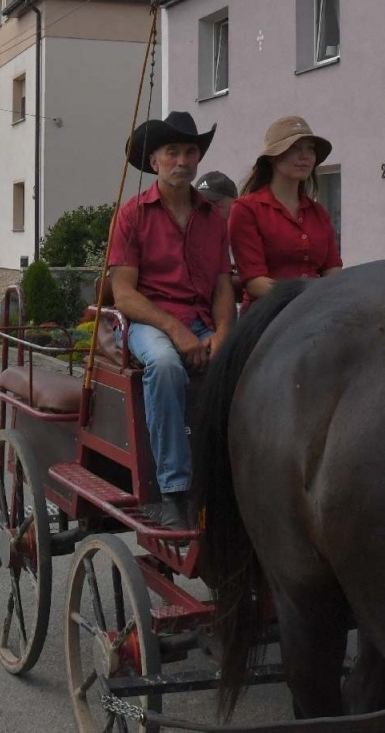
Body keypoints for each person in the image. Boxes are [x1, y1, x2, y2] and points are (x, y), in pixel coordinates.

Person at [109, 111, 235, 530]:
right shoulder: (132, 215)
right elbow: (124, 294)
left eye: (190, 152)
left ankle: (229, 480)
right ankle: (174, 491)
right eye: (173, 152)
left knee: (243, 367)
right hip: (150, 322)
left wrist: (223, 333)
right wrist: (177, 330)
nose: (183, 160)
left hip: (203, 320)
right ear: (154, 162)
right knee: (164, 366)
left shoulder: (213, 218)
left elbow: (222, 287)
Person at [229, 115, 343, 305]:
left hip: (316, 307)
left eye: (310, 149)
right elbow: (254, 282)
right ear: (273, 157)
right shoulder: (246, 209)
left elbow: (333, 270)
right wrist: (307, 297)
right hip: (268, 312)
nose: (304, 156)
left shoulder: (318, 212)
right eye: (294, 148)